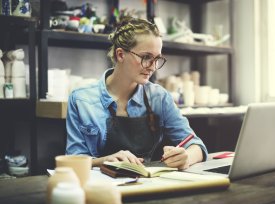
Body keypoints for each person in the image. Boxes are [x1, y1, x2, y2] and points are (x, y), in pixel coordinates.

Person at [66, 16, 208, 170]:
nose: (152, 67)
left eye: (157, 59)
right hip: (102, 189)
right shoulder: (81, 99)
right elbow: (73, 160)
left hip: (147, 185)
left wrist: (186, 157)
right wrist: (105, 160)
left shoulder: (159, 97)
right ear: (120, 55)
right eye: (146, 57)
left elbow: (197, 146)